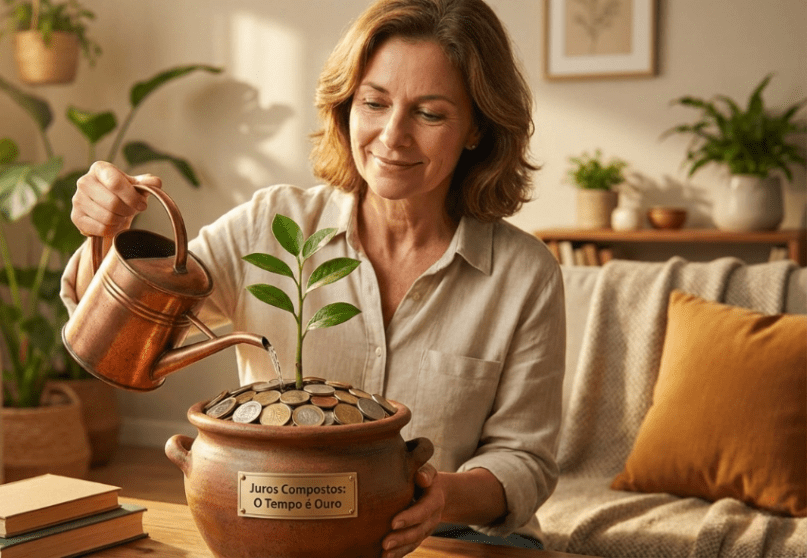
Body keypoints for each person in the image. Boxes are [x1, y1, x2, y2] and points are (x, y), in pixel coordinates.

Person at [61, 0, 565, 556]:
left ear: (476, 128)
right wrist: (104, 233)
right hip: (276, 530)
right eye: (374, 103)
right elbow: (118, 337)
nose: (392, 135)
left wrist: (436, 496)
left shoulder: (525, 274)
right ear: (346, 107)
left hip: (450, 534)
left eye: (430, 113)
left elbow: (525, 460)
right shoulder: (269, 225)